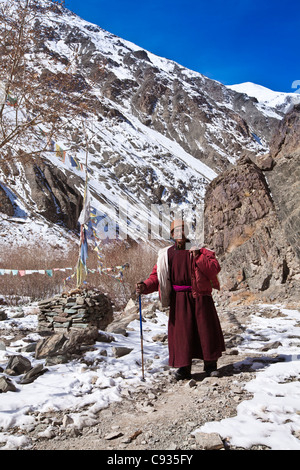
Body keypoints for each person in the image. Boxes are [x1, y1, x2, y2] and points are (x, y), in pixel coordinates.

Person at [136, 219, 225, 380]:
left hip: (200, 297)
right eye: (175, 231)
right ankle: (184, 368)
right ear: (171, 235)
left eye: (182, 230)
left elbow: (213, 270)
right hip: (179, 300)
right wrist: (144, 286)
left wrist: (198, 256)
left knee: (205, 331)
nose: (179, 234)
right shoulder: (165, 255)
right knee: (182, 334)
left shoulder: (201, 250)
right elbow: (156, 277)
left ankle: (210, 365)